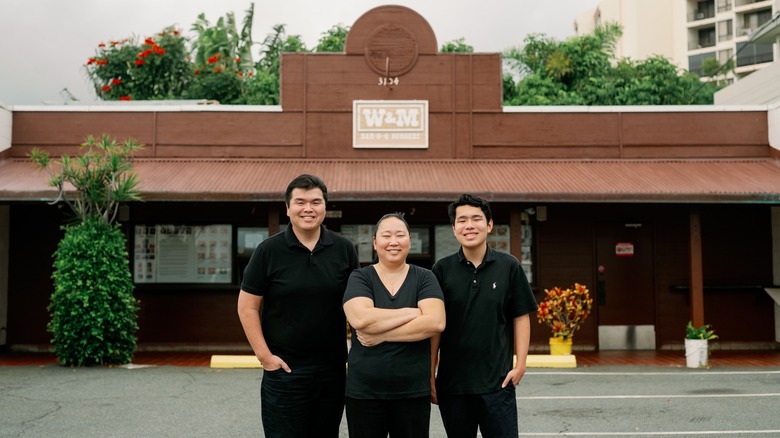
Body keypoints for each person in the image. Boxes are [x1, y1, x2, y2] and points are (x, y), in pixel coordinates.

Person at [237, 174, 359, 438]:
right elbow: (247, 307)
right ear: (288, 208)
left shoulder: (343, 249)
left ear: (325, 207)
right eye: (300, 202)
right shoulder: (268, 250)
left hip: (333, 371)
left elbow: (357, 305)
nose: (308, 208)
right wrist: (265, 357)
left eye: (316, 202)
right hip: (285, 370)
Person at [431, 194, 538, 438]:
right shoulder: (441, 270)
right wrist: (431, 373)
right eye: (462, 220)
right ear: (454, 228)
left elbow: (521, 316)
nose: (469, 225)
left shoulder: (509, 266)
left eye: (477, 219)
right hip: (453, 385)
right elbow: (435, 327)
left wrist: (520, 364)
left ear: (489, 225)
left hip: (498, 383)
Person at [342, 212, 446, 438]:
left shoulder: (425, 278)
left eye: (400, 235)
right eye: (386, 235)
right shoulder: (360, 277)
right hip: (364, 392)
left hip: (412, 391)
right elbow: (360, 319)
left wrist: (382, 335)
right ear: (375, 242)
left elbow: (436, 322)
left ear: (409, 240)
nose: (393, 242)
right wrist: (412, 312)